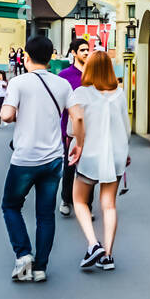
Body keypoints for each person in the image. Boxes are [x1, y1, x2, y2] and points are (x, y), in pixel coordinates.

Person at [0, 35, 73, 283]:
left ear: (26, 57)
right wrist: (79, 143)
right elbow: (77, 115)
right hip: (53, 159)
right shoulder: (63, 85)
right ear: (51, 56)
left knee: (10, 205)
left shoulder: (18, 82)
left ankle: (23, 255)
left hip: (25, 159)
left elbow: (7, 115)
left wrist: (13, 112)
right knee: (45, 214)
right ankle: (40, 268)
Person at [65, 51, 131, 271]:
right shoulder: (119, 94)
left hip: (90, 154)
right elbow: (126, 127)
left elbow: (75, 124)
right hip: (116, 155)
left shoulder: (81, 93)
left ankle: (94, 244)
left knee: (80, 200)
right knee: (109, 204)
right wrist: (125, 151)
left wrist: (78, 144)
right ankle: (108, 256)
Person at [58, 38, 91, 216]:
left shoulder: (93, 75)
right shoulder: (64, 76)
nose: (86, 52)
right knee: (70, 166)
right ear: (74, 53)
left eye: (88, 50)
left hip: (91, 129)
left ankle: (87, 205)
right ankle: (66, 199)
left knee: (90, 168)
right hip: (70, 129)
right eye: (83, 50)